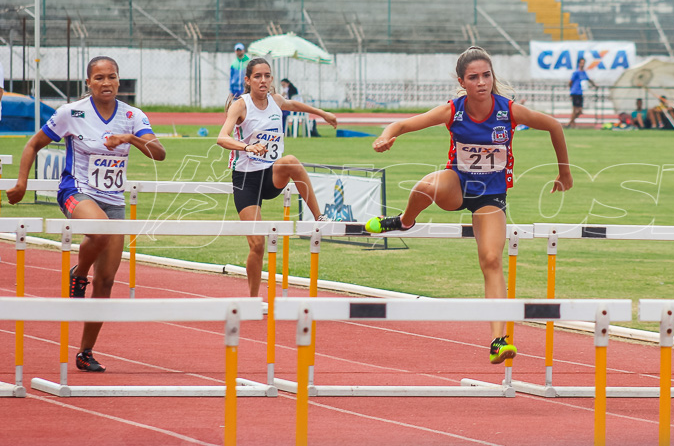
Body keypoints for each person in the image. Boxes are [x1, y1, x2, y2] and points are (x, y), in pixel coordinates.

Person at [363, 46, 573, 364]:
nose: (481, 82)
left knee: (491, 260)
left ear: (492, 78)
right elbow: (404, 125)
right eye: (473, 77)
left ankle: (498, 341)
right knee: (424, 187)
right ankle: (405, 221)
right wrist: (386, 136)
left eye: (486, 75)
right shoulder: (453, 111)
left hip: (491, 197)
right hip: (457, 185)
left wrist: (564, 172)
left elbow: (554, 126)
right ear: (462, 82)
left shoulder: (508, 111)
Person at [6, 56, 166, 373]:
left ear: (119, 82)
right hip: (75, 191)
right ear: (88, 83)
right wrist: (22, 182)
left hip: (114, 200)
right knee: (100, 230)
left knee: (106, 282)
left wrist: (131, 139)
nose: (106, 83)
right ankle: (79, 273)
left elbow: (158, 153)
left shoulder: (132, 116)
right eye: (99, 78)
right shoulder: (71, 113)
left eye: (112, 77)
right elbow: (32, 145)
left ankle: (85, 351)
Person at [217, 58, 339, 297]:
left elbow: (293, 104)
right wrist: (246, 147)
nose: (263, 81)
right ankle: (253, 298)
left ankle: (319, 217)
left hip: (271, 176)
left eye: (267, 76)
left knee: (292, 161)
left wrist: (322, 113)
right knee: (258, 245)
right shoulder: (241, 105)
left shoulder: (276, 101)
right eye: (258, 76)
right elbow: (222, 137)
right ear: (248, 80)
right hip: (246, 180)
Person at [566, 57, 597, 128]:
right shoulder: (576, 72)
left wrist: (594, 85)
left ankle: (570, 123)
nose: (582, 64)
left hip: (580, 93)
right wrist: (571, 90)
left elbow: (588, 79)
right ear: (579, 63)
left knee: (580, 110)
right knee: (575, 109)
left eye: (583, 63)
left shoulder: (584, 73)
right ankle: (571, 124)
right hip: (575, 92)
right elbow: (570, 82)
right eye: (581, 63)